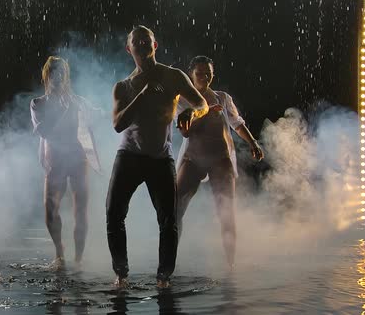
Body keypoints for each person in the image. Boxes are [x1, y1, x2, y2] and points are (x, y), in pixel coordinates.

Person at [106, 26, 209, 288]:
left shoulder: (173, 76)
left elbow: (202, 104)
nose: (142, 46)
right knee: (113, 213)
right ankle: (121, 274)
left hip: (161, 158)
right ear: (129, 50)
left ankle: (164, 278)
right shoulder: (123, 87)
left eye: (146, 42)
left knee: (168, 219)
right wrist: (142, 95)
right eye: (136, 43)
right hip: (129, 155)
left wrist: (190, 114)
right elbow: (118, 124)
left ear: (155, 45)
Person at [176, 55, 264, 269]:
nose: (204, 77)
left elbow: (237, 124)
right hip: (193, 158)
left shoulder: (222, 98)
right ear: (191, 75)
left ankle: (230, 266)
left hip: (220, 158)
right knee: (175, 208)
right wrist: (203, 113)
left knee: (227, 213)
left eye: (208, 73)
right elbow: (185, 132)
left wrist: (253, 143)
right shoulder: (183, 100)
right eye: (199, 73)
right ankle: (170, 263)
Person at [30, 56, 101, 270]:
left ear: (66, 76)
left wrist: (98, 114)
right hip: (54, 161)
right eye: (53, 73)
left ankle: (79, 259)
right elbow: (44, 131)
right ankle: (60, 255)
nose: (58, 77)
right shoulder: (39, 103)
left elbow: (95, 120)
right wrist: (65, 111)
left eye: (62, 73)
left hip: (78, 159)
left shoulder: (78, 101)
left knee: (81, 209)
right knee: (50, 208)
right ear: (46, 77)